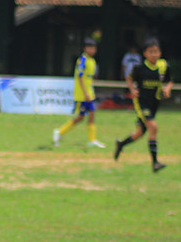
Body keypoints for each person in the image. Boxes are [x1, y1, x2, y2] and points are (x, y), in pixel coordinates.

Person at [114, 38, 173, 172]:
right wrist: (132, 89)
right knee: (153, 127)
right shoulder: (140, 68)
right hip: (142, 103)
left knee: (140, 133)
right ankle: (155, 163)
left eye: (156, 52)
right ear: (145, 53)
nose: (154, 54)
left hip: (154, 104)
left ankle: (121, 144)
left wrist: (167, 89)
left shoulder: (163, 66)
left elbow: (170, 80)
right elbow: (129, 77)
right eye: (151, 52)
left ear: (160, 53)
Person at [53, 37, 106, 148]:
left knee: (92, 115)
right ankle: (60, 132)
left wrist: (91, 92)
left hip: (89, 94)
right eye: (90, 48)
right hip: (82, 95)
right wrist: (85, 93)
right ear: (85, 48)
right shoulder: (82, 60)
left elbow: (89, 79)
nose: (92, 50)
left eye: (94, 48)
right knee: (80, 117)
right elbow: (80, 77)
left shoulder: (92, 61)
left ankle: (92, 140)